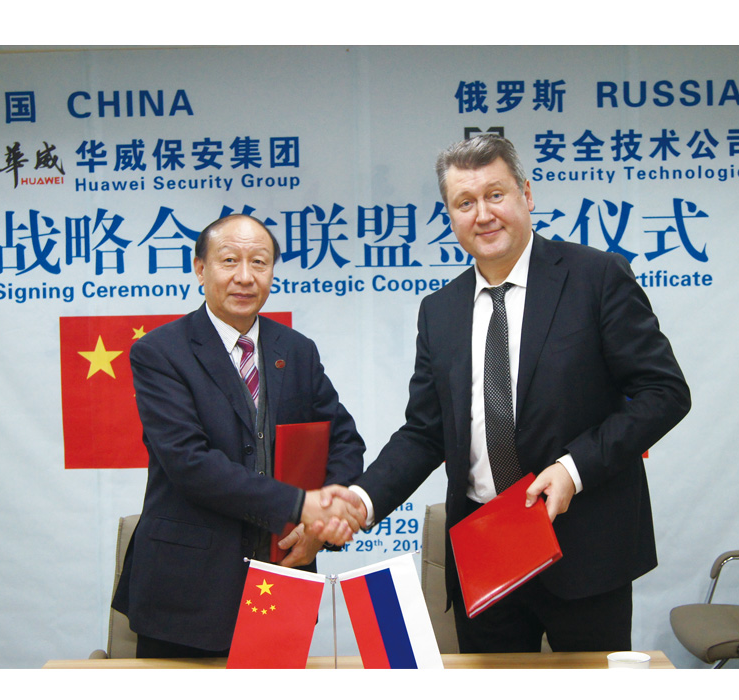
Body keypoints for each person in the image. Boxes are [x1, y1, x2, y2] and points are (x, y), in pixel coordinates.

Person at [342, 134, 691, 653]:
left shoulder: (596, 277)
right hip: (486, 554)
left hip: (584, 549)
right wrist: (361, 500)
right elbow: (425, 432)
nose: (483, 214)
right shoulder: (440, 311)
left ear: (526, 194)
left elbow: (664, 392)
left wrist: (574, 468)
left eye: (495, 194)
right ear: (450, 216)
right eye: (465, 202)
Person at [112, 214, 366, 658]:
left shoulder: (297, 350)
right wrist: (299, 505)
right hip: (187, 589)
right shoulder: (160, 352)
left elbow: (343, 441)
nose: (245, 277)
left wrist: (318, 525)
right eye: (229, 260)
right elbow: (190, 464)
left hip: (284, 570)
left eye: (259, 262)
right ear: (200, 269)